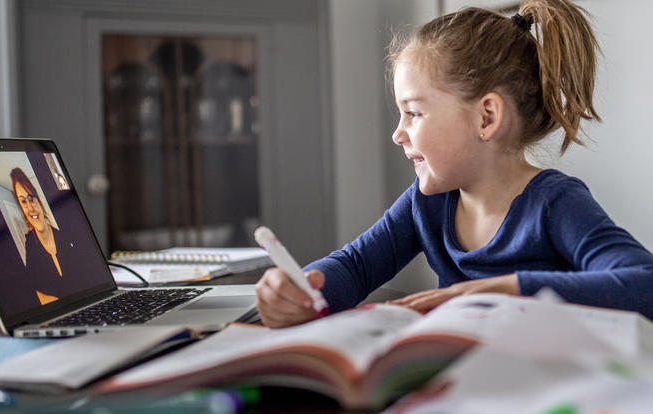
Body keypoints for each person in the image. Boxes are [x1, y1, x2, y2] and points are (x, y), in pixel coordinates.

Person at [255, 0, 653, 328]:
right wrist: (301, 291)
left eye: (413, 113)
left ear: (486, 118)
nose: (398, 133)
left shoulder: (554, 204)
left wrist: (504, 291)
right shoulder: (427, 203)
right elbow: (355, 266)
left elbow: (643, 285)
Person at [10, 167, 76, 305]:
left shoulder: (66, 236)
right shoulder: (30, 244)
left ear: (39, 201)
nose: (30, 207)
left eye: (31, 199)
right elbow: (32, 289)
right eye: (23, 202)